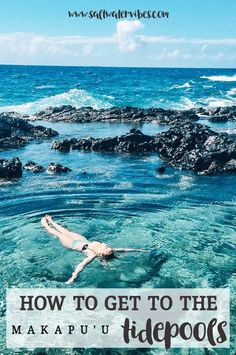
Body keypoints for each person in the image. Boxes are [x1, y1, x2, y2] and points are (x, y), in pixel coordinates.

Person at [41, 215, 148, 284]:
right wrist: (139, 250)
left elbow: (81, 266)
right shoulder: (109, 251)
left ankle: (45, 225)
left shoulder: (92, 255)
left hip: (72, 244)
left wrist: (72, 278)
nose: (107, 246)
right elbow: (124, 250)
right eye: (108, 247)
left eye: (107, 248)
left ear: (101, 254)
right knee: (65, 230)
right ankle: (52, 221)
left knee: (57, 233)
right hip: (82, 240)